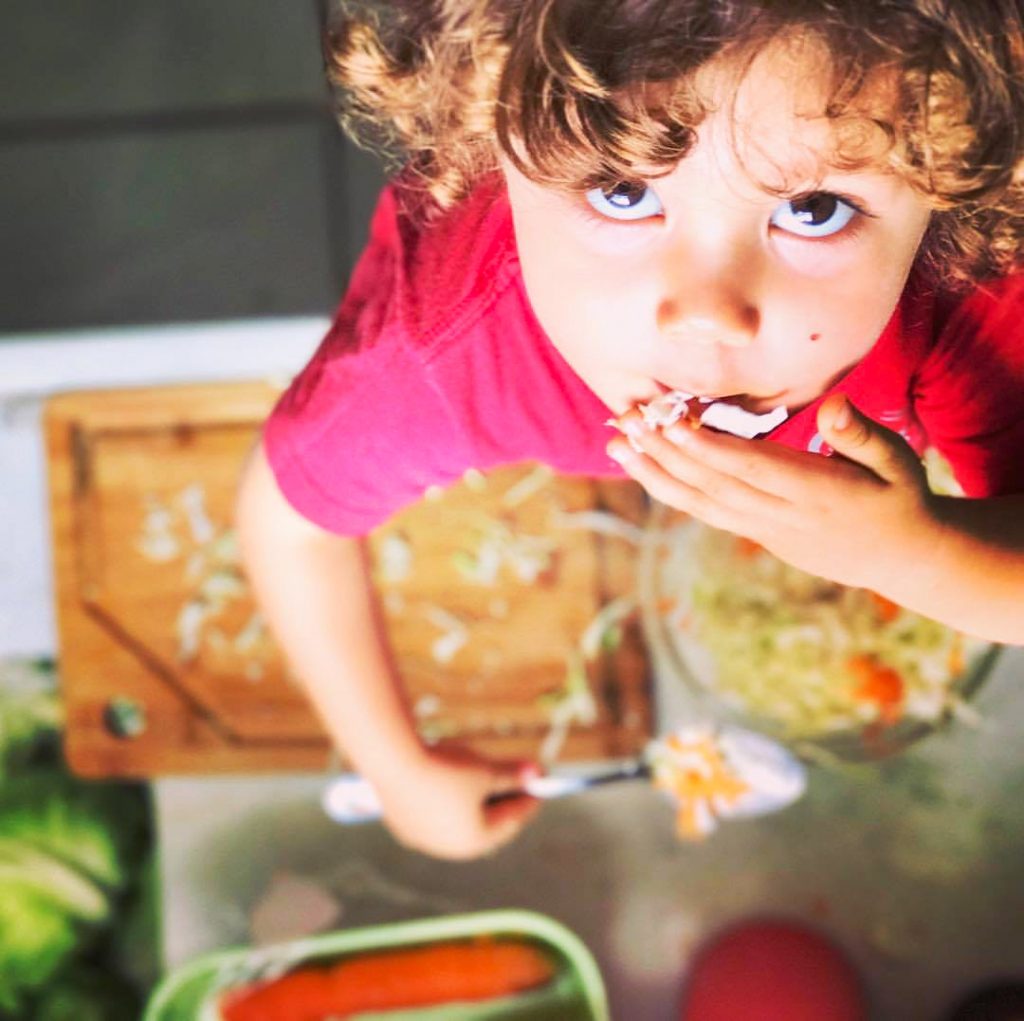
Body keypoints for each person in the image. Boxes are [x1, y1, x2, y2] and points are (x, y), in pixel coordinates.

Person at [237, 0, 1024, 860]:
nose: (708, 315)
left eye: (815, 209)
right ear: (490, 131)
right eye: (622, 190)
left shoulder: (970, 281)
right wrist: (395, 766)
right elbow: (289, 522)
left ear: (943, 186)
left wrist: (908, 554)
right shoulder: (447, 351)